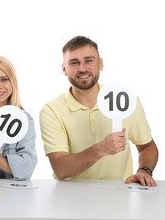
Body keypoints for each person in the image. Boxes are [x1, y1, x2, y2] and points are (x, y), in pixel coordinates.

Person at [40, 36, 158, 186]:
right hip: (69, 198)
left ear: (100, 64)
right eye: (74, 63)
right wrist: (101, 149)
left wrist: (144, 170)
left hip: (119, 196)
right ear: (64, 69)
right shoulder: (51, 110)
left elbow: (147, 146)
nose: (82, 68)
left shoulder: (126, 100)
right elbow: (61, 169)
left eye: (89, 60)